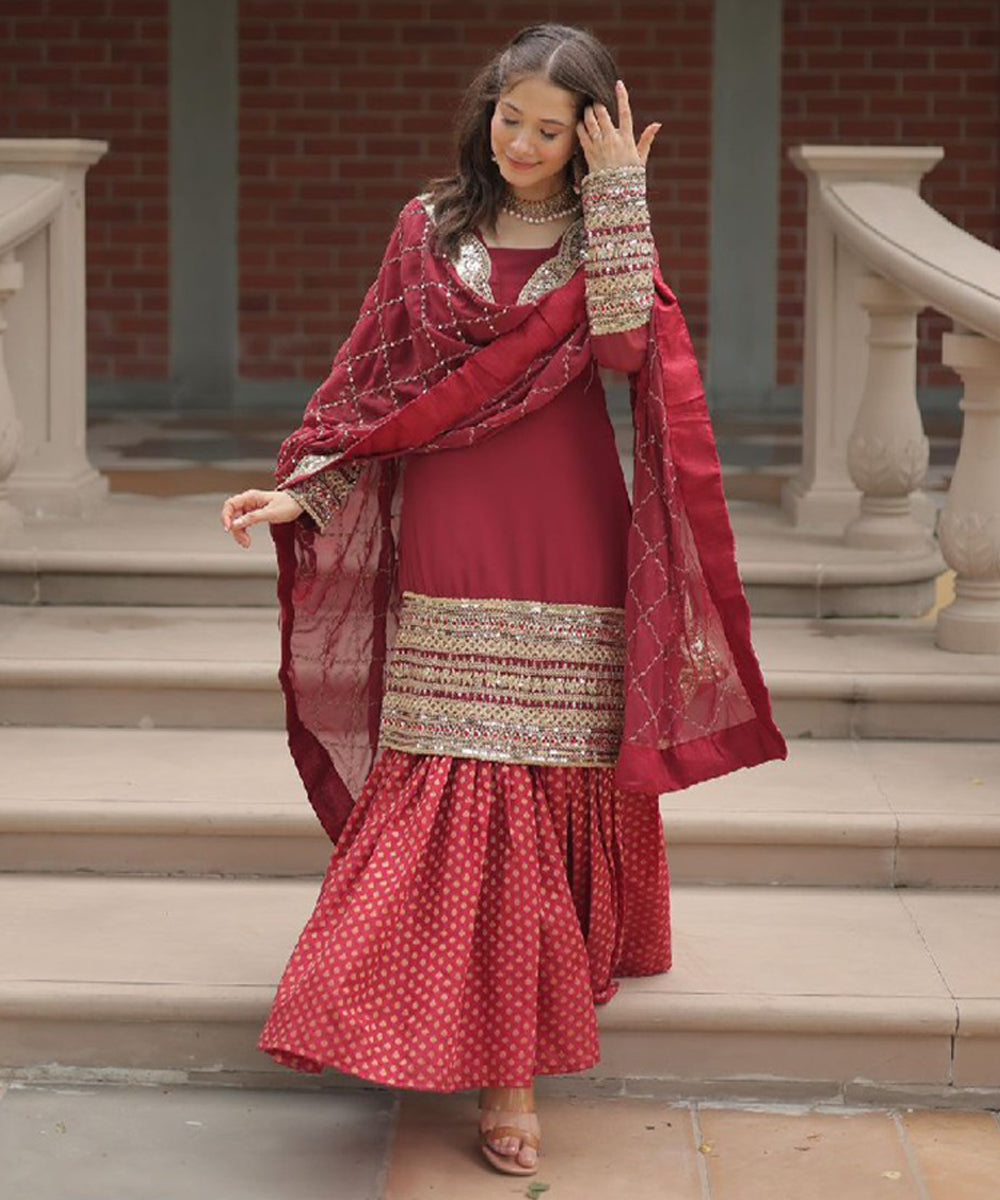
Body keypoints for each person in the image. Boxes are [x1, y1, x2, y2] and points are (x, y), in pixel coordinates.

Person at [221, 22, 786, 1177]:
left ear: (583, 141)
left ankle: (514, 1052)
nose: (520, 143)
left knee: (542, 772)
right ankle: (497, 1066)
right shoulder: (429, 228)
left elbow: (627, 355)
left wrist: (623, 196)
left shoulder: (596, 231)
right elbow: (374, 383)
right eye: (508, 117)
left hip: (568, 528)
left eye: (548, 128)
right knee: (458, 766)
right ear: (487, 110)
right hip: (452, 524)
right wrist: (304, 493)